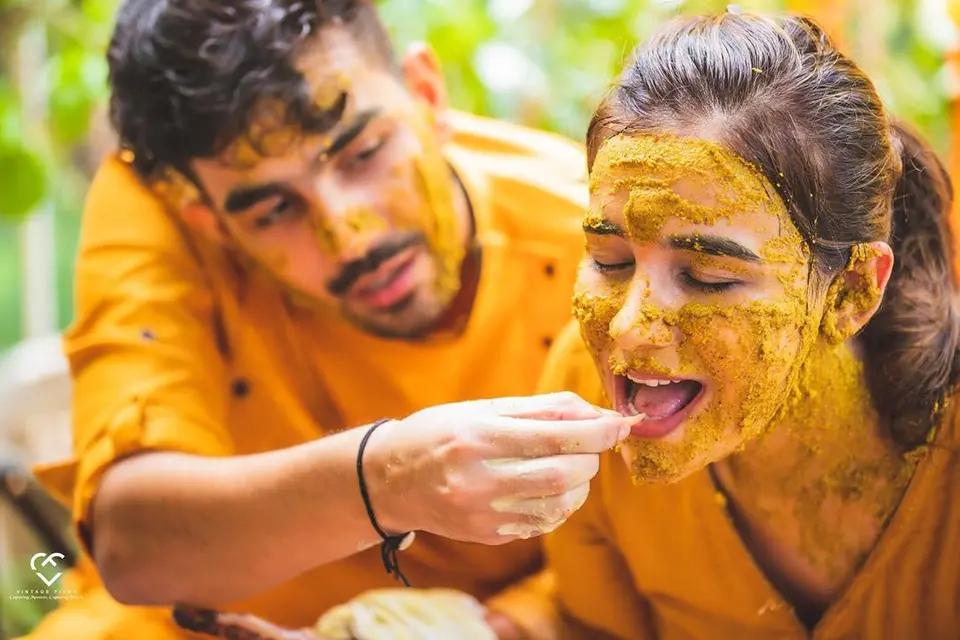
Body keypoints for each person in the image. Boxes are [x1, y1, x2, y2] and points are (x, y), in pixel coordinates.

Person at [24, 1, 639, 637]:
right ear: (206, 217)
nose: (349, 236)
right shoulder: (160, 210)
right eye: (272, 210)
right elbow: (132, 545)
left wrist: (484, 626)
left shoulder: (601, 236)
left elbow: (656, 551)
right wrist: (387, 479)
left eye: (364, 153)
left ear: (426, 93)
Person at [496, 11, 960, 639]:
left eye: (707, 276)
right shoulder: (583, 391)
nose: (630, 328)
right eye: (610, 261)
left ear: (852, 291)